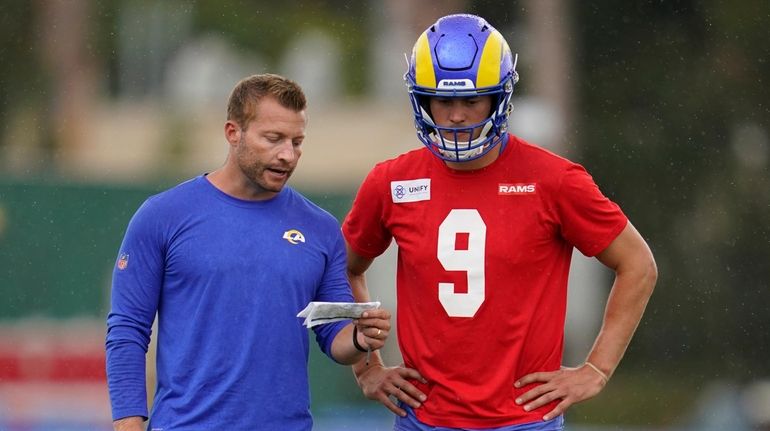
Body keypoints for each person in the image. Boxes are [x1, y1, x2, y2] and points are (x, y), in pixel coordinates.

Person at [342, 14, 657, 431]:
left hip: (522, 422)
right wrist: (368, 368)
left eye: (472, 100)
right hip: (424, 421)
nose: (456, 116)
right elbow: (342, 266)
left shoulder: (554, 180)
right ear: (421, 100)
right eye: (442, 100)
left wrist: (596, 369)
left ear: (500, 98)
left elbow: (637, 264)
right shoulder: (391, 180)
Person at [105, 73, 391, 431]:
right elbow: (127, 330)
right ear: (232, 132)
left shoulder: (320, 229)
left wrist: (361, 339)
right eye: (273, 139)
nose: (288, 154)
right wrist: (128, 423)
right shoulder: (163, 216)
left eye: (297, 141)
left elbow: (333, 337)